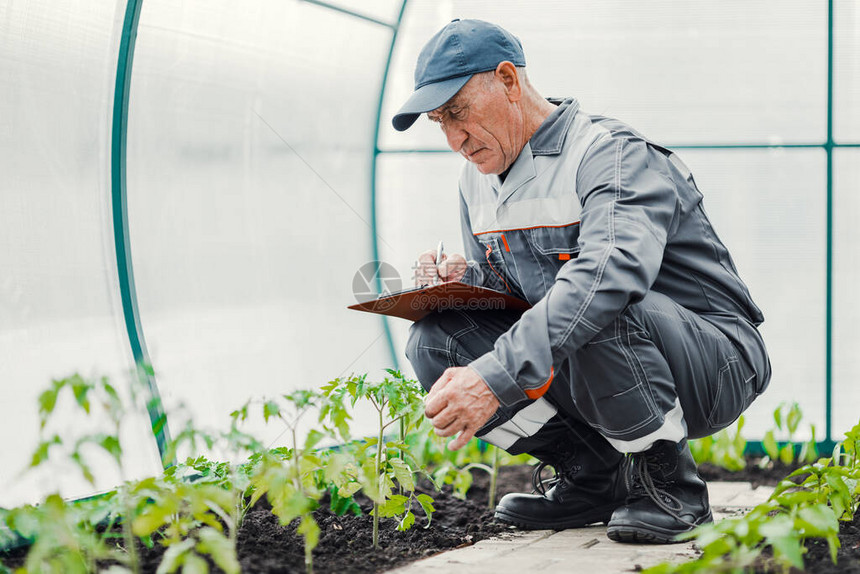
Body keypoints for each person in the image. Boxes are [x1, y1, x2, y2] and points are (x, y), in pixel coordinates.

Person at [392, 19, 771, 543]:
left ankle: (672, 488)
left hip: (714, 361)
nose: (454, 139)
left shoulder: (608, 154)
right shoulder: (477, 180)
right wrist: (469, 278)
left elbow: (608, 276)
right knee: (438, 339)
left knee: (595, 301)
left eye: (458, 112)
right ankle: (595, 475)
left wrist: (494, 377)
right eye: (440, 121)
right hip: (601, 359)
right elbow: (518, 295)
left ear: (507, 79)